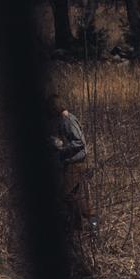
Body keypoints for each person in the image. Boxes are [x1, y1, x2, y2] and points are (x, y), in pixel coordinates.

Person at [46, 93, 96, 234]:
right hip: (75, 163)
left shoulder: (67, 120)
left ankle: (87, 226)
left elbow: (79, 141)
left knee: (68, 196)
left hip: (77, 164)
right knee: (76, 196)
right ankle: (82, 228)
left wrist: (61, 145)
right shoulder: (64, 119)